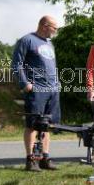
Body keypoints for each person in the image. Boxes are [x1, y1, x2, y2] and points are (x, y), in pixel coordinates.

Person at [11, 15, 60, 171]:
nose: (56, 31)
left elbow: (52, 65)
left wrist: (57, 83)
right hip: (36, 90)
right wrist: (25, 84)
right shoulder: (27, 40)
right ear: (45, 26)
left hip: (52, 90)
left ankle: (45, 158)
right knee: (32, 125)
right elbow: (16, 64)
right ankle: (30, 159)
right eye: (55, 28)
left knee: (47, 125)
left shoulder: (49, 43)